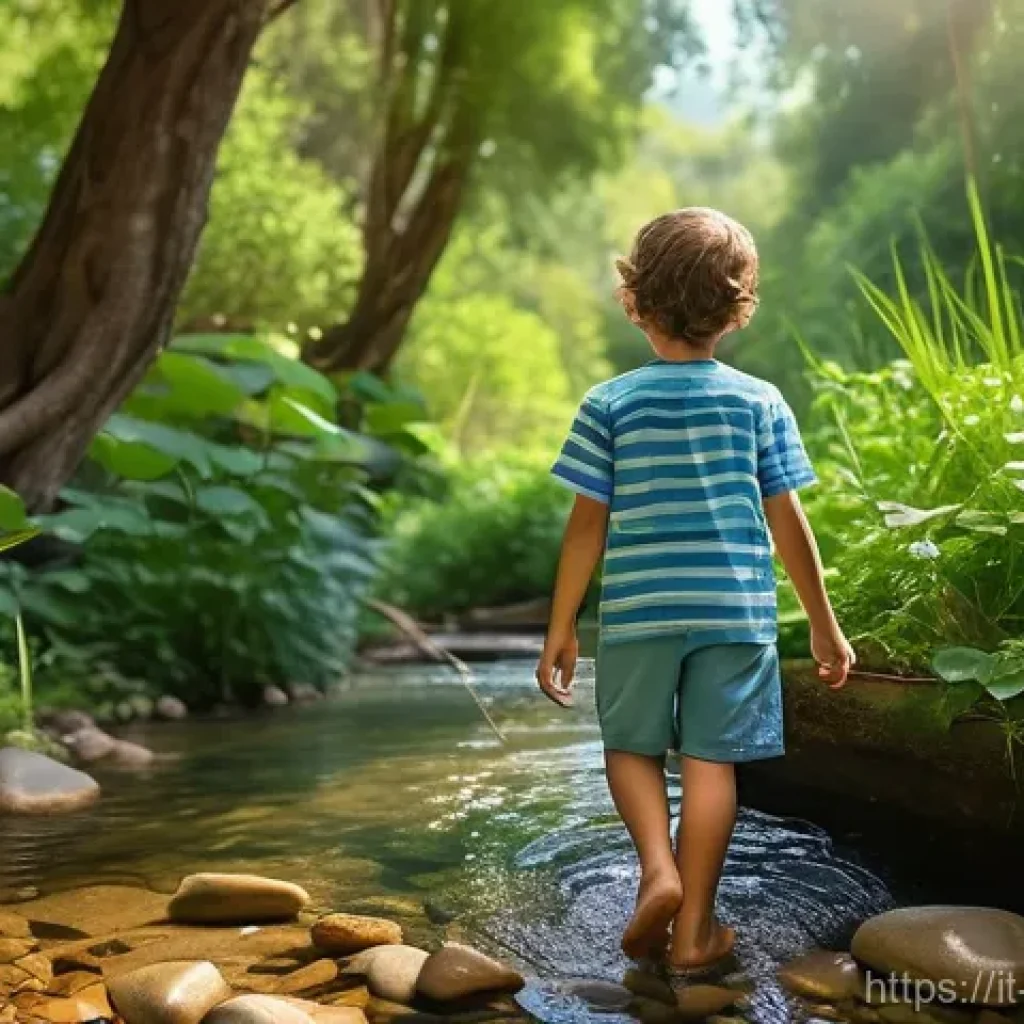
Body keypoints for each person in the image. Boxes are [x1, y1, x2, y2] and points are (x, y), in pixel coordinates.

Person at [535, 208, 854, 978]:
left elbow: (586, 528)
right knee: (713, 764)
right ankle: (695, 931)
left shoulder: (610, 404)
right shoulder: (759, 402)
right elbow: (790, 525)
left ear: (635, 300)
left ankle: (657, 870)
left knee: (632, 748)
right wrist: (824, 626)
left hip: (641, 611)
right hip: (733, 613)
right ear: (738, 307)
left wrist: (563, 625)